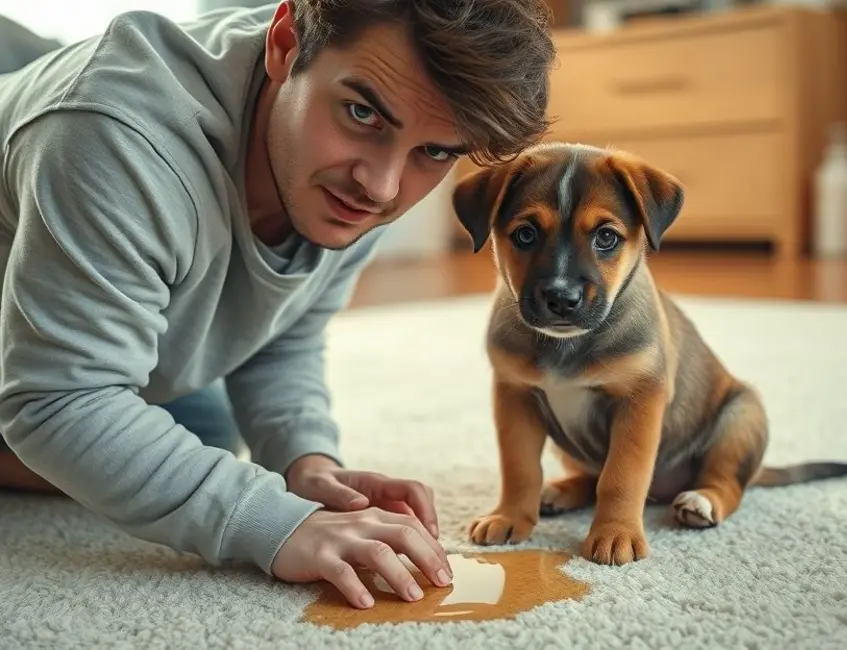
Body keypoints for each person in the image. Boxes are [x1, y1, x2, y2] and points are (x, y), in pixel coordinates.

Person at [0, 0, 555, 609]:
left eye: (437, 152)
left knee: (202, 427)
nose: (383, 187)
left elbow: (275, 331)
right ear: (286, 42)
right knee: (104, 430)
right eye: (363, 113)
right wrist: (272, 520)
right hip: (60, 188)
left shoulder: (347, 155)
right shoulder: (112, 138)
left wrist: (304, 465)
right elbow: (59, 398)